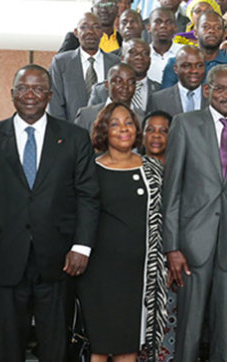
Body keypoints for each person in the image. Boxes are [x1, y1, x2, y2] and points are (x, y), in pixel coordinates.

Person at [0, 65, 99, 362]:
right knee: (10, 345)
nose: (30, 95)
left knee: (55, 345)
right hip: (7, 255)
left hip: (59, 259)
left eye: (38, 89)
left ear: (50, 95)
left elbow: (88, 195)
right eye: (23, 88)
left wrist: (81, 246)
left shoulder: (74, 138)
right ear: (12, 94)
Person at [163, 65, 227, 362]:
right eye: (221, 88)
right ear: (207, 90)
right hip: (192, 245)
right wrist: (172, 247)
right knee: (190, 327)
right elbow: (173, 190)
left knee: (225, 326)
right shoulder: (185, 124)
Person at [78, 102, 167, 361]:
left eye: (128, 122)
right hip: (99, 273)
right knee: (100, 345)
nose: (123, 128)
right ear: (104, 131)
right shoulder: (90, 169)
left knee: (128, 344)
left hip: (139, 275)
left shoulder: (152, 168)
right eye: (115, 124)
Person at [49, 12, 121, 122]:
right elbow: (55, 105)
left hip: (108, 132)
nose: (90, 32)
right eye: (84, 27)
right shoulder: (61, 63)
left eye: (96, 27)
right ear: (76, 33)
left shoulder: (116, 63)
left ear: (102, 33)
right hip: (71, 133)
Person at [163, 11, 227, 98]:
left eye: (217, 27)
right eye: (206, 27)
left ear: (224, 34)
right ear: (196, 33)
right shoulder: (176, 63)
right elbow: (166, 100)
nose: (211, 31)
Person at [88, 38, 160, 114]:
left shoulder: (159, 90)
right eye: (133, 52)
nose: (139, 57)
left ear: (150, 60)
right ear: (122, 58)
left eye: (145, 53)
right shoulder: (101, 90)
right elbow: (89, 119)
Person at [75, 63, 138, 133]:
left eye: (131, 82)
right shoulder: (87, 116)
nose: (125, 86)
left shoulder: (142, 116)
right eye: (118, 81)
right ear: (107, 85)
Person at [147, 46, 207, 116]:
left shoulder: (214, 98)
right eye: (187, 66)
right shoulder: (158, 100)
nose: (194, 70)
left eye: (199, 66)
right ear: (176, 69)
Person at [58, 0, 123, 54]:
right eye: (99, 5)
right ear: (92, 10)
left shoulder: (123, 39)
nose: (104, 10)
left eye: (109, 5)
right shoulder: (75, 38)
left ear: (117, 10)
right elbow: (60, 63)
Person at [146, 7, 181, 83]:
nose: (163, 26)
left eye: (168, 22)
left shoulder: (184, 53)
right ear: (149, 27)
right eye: (158, 22)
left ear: (175, 28)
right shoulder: (143, 55)